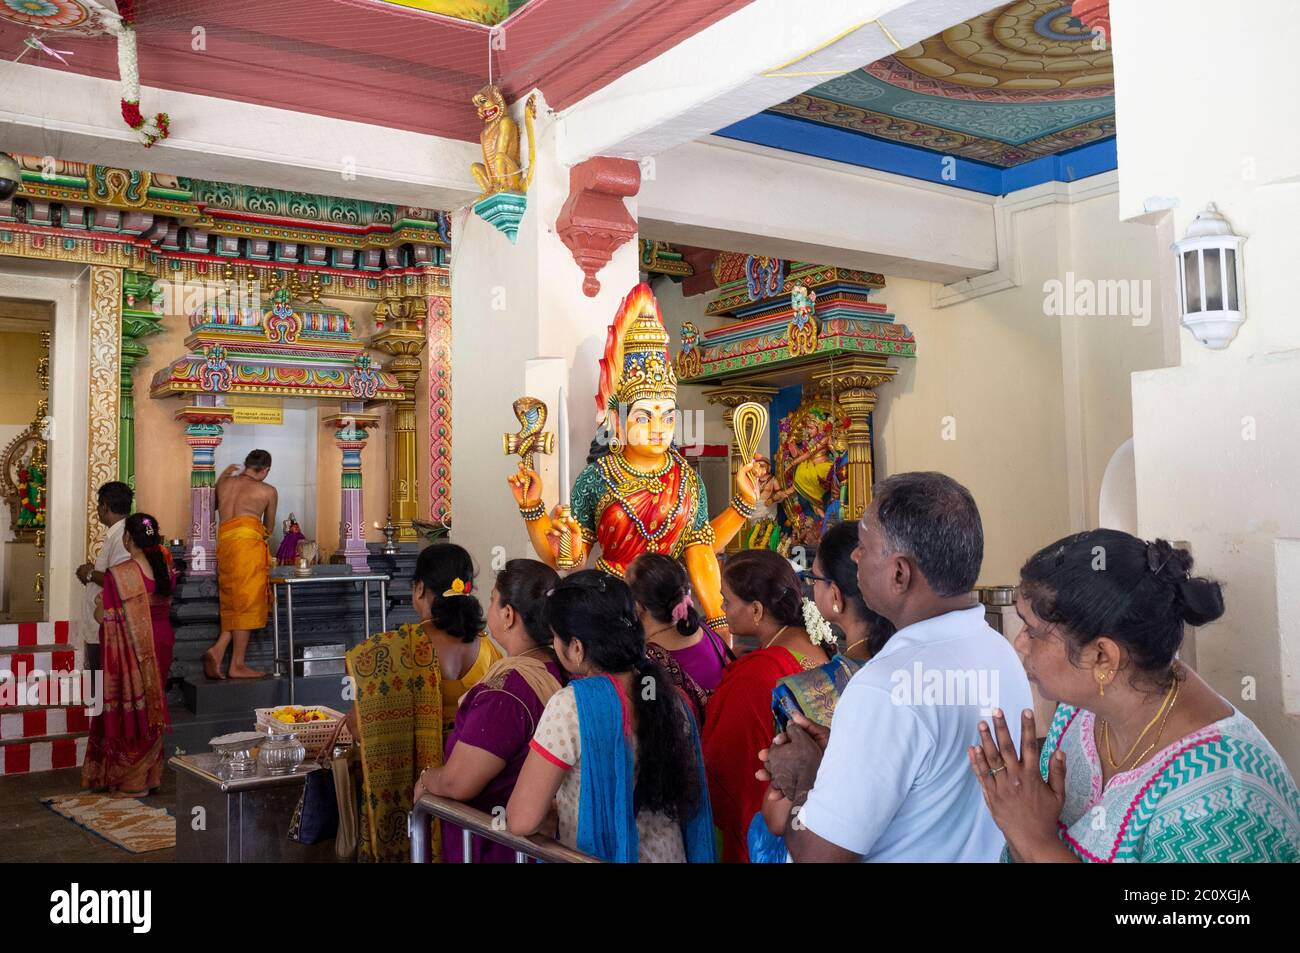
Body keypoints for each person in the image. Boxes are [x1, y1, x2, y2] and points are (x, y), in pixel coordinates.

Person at [970, 530, 1300, 863]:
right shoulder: (1080, 713)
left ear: (1102, 657)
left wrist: (1033, 837)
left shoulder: (1222, 806)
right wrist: (1021, 823)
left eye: (1033, 631)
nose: (1019, 644)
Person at [761, 472, 1034, 862]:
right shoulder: (1000, 652)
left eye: (865, 546)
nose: (855, 556)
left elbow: (818, 855)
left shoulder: (884, 686)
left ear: (899, 573)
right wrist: (840, 756)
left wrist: (806, 787)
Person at [507, 571, 714, 863]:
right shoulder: (668, 697)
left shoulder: (573, 705)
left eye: (555, 636)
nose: (553, 645)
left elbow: (521, 819)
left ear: (577, 648)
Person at [751, 520, 896, 862]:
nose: (809, 589)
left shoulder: (801, 694)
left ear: (835, 595)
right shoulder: (916, 670)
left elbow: (776, 817)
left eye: (813, 579)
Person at [344, 542, 494, 862]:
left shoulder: (398, 649)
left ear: (420, 588)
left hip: (416, 783)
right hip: (472, 779)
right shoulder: (489, 650)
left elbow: (361, 729)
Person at [417, 559, 566, 863]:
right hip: (540, 841)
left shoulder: (508, 690)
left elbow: (459, 782)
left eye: (493, 601)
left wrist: (426, 780)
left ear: (508, 615)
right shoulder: (559, 668)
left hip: (497, 846)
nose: (489, 608)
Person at [701, 549, 830, 862]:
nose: (721, 608)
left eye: (727, 600)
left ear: (756, 609)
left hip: (772, 821)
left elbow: (728, 762)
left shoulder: (758, 672)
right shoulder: (813, 644)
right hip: (817, 819)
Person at [81, 513, 175, 798]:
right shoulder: (166, 565)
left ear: (128, 539)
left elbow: (104, 617)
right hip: (161, 642)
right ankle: (152, 775)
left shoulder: (121, 575)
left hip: (134, 647)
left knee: (131, 707)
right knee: (152, 703)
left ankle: (133, 781)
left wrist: (100, 604)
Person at [626, 552, 732, 722]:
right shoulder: (704, 631)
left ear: (638, 605)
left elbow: (647, 716)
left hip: (691, 746)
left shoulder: (647, 662)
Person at [205, 449, 276, 679]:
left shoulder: (225, 483)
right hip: (248, 549)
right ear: (265, 470)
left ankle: (218, 649)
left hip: (225, 546)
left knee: (233, 599)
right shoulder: (268, 491)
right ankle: (237, 664)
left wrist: (221, 478)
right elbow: (269, 529)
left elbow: (210, 508)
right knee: (247, 602)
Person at [75, 481, 133, 674]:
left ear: (105, 506)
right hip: (100, 625)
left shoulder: (122, 536)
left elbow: (120, 577)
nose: (98, 510)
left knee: (101, 684)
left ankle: (97, 704)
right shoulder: (117, 534)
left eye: (99, 505)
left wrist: (90, 574)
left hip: (107, 626)